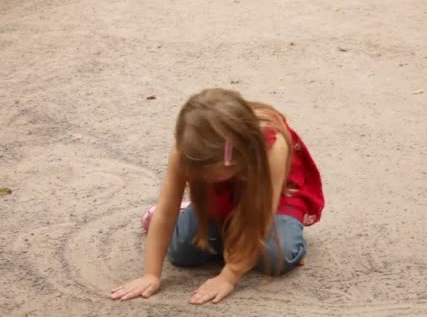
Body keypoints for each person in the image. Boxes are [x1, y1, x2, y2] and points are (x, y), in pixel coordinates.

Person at [110, 88, 325, 304]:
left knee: (278, 257)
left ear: (233, 160)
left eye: (206, 172)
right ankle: (207, 222)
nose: (198, 175)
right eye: (196, 171)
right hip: (215, 196)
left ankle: (248, 234)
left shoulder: (271, 148)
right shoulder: (187, 149)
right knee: (181, 254)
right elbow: (166, 211)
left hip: (271, 200)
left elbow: (260, 221)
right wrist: (151, 275)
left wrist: (228, 276)